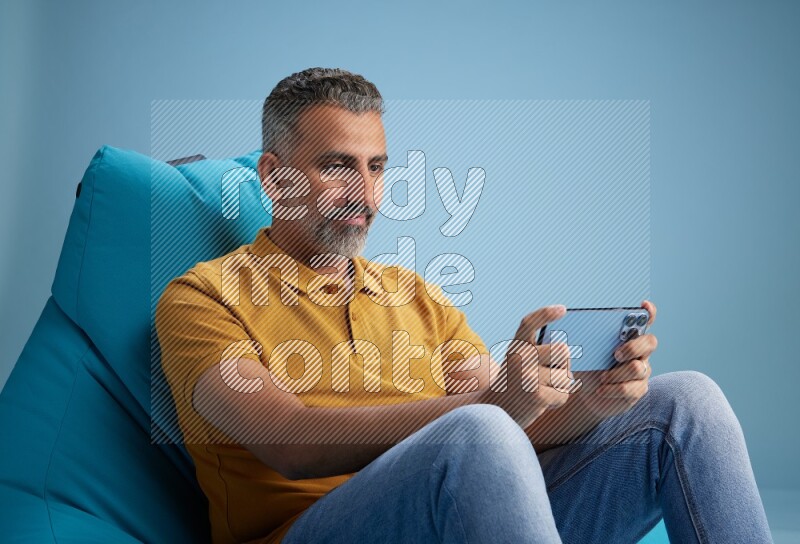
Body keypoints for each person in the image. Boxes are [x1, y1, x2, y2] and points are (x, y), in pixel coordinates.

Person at [155, 67, 772, 543]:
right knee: (477, 427)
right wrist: (489, 408)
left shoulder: (414, 295)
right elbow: (286, 439)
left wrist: (585, 400)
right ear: (274, 176)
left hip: (465, 520)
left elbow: (509, 427)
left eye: (376, 169)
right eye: (337, 167)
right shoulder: (202, 298)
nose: (364, 194)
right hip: (310, 530)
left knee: (687, 403)